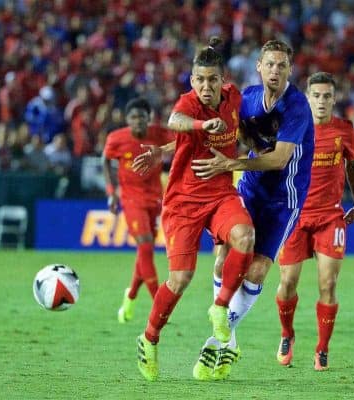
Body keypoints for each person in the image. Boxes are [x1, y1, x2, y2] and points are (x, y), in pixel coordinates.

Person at [189, 40, 315, 380]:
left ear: (290, 70)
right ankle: (227, 338)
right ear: (258, 66)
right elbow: (221, 104)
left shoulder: (297, 107)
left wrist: (233, 161)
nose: (275, 71)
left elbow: (278, 158)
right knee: (224, 256)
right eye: (270, 64)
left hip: (284, 198)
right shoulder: (246, 98)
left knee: (257, 270)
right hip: (248, 188)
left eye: (282, 66)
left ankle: (219, 337)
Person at [134, 38, 256, 382]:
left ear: (223, 80)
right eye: (200, 80)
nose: (206, 86)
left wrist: (163, 149)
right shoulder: (188, 104)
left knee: (245, 237)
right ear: (191, 81)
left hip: (220, 194)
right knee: (181, 277)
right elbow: (177, 121)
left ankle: (220, 307)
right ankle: (149, 338)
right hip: (183, 202)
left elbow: (194, 136)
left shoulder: (234, 98)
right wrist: (202, 126)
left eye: (212, 79)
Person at [276, 72, 354, 370]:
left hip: (330, 217)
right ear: (307, 98)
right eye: (317, 95)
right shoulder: (292, 128)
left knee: (328, 283)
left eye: (327, 96)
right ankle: (287, 334)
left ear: (334, 99)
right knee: (287, 283)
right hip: (295, 217)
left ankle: (322, 348)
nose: (322, 101)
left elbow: (353, 164)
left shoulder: (344, 130)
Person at [101, 97, 174, 324]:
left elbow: (182, 141)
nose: (138, 122)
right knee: (145, 245)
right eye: (133, 117)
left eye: (142, 117)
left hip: (154, 199)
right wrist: (111, 191)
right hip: (130, 199)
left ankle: (130, 297)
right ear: (127, 120)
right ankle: (158, 304)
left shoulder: (160, 134)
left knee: (144, 252)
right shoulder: (117, 138)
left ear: (148, 118)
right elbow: (105, 160)